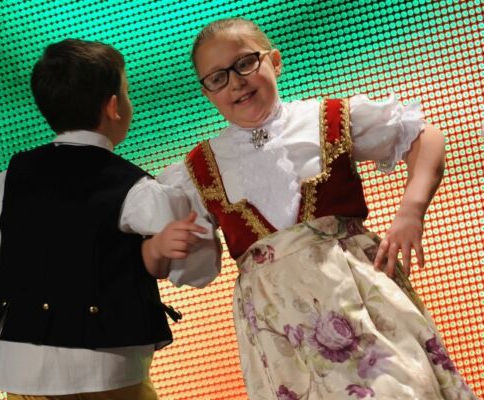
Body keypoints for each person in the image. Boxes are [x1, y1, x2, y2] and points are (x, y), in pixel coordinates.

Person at [158, 17, 478, 399]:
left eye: (245, 63)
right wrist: (160, 247)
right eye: (217, 78)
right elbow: (187, 258)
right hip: (281, 327)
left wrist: (411, 211)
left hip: (361, 300)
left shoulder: (326, 119)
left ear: (274, 61)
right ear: (207, 92)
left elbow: (423, 137)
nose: (236, 82)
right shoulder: (198, 170)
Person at [0, 39, 220, 400]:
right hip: (103, 366)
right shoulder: (135, 189)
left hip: (16, 362)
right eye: (127, 92)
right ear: (114, 107)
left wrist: (27, 284)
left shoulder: (8, 179)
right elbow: (198, 268)